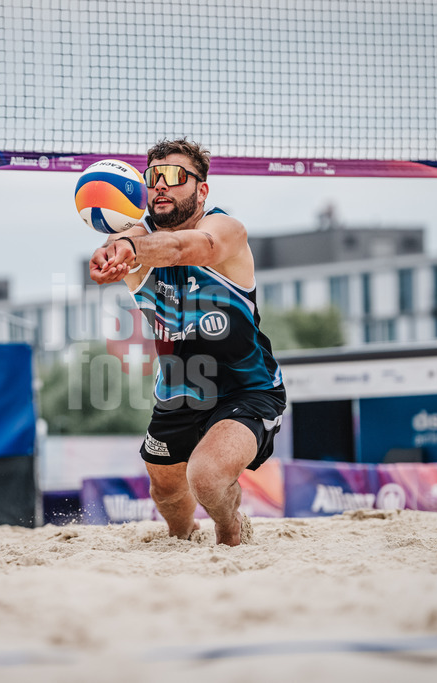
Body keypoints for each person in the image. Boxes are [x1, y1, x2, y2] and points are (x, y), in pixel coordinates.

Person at [89, 138, 286, 546]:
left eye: (175, 175)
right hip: (177, 393)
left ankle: (230, 528)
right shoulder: (135, 238)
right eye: (153, 177)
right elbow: (124, 241)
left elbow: (186, 247)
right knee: (164, 490)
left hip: (246, 390)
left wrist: (127, 247)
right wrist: (110, 252)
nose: (161, 184)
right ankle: (182, 539)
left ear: (202, 189)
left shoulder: (226, 231)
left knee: (207, 477)